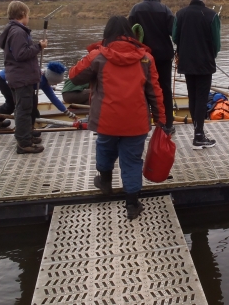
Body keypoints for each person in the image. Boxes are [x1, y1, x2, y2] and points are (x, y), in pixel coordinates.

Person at [69, 16, 166, 220]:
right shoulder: (146, 58)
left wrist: (94, 51)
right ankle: (132, 205)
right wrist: (161, 119)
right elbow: (154, 91)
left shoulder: (98, 56)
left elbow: (74, 76)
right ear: (131, 34)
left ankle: (105, 182)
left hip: (106, 119)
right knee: (132, 161)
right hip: (136, 121)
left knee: (104, 146)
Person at [172, 0, 221, 149]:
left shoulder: (180, 14)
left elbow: (175, 37)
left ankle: (197, 132)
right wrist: (211, 55)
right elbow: (216, 44)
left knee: (192, 96)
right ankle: (199, 136)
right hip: (205, 62)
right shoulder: (212, 15)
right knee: (201, 97)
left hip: (186, 61)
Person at [0, 0, 48, 154]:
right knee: (24, 110)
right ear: (23, 15)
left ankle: (26, 135)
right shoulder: (18, 32)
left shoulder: (12, 30)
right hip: (22, 78)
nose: (28, 18)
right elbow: (21, 54)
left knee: (25, 108)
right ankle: (24, 143)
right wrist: (39, 46)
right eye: (28, 15)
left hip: (18, 76)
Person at [128, 0, 176, 134]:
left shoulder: (136, 10)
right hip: (163, 56)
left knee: (142, 89)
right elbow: (174, 33)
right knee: (164, 89)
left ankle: (142, 124)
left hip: (142, 57)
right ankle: (167, 124)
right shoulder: (165, 9)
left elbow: (129, 33)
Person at [0, 61, 76, 129]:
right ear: (50, 79)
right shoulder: (38, 80)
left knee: (31, 102)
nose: (55, 85)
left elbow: (53, 98)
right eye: (55, 83)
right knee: (12, 103)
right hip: (3, 80)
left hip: (15, 81)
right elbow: (51, 97)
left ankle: (34, 123)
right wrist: (67, 113)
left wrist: (66, 112)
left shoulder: (44, 80)